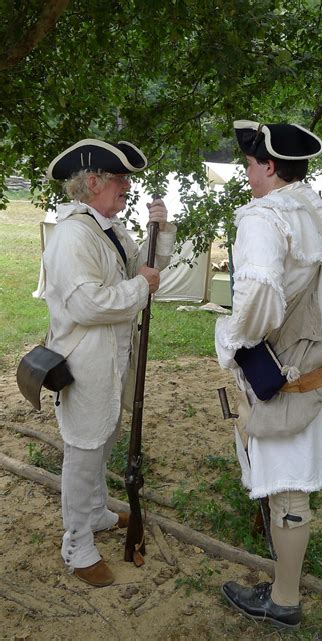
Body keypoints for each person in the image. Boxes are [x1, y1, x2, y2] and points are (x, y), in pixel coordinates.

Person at [215, 120, 322, 629]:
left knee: (290, 487)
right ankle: (283, 586)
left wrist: (230, 342)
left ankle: (284, 600)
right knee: (291, 489)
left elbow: (257, 300)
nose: (248, 176)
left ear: (269, 166)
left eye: (251, 166)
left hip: (287, 374)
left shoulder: (265, 217)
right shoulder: (319, 210)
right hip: (319, 365)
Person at [43, 139, 176, 587]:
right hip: (86, 362)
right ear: (93, 182)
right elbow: (86, 304)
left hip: (113, 358)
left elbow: (144, 268)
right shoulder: (72, 235)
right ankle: (77, 543)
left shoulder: (109, 228)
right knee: (84, 448)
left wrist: (164, 231)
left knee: (104, 438)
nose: (126, 188)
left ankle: (97, 512)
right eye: (119, 179)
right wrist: (140, 287)